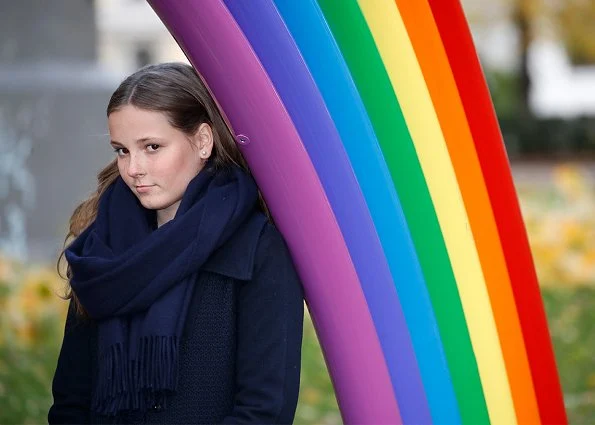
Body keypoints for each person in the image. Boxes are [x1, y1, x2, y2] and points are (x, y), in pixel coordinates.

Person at [48, 62, 305, 424]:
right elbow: (70, 404)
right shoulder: (99, 249)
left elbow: (265, 411)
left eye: (152, 147)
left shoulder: (258, 247)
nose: (133, 168)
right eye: (122, 150)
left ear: (202, 140)